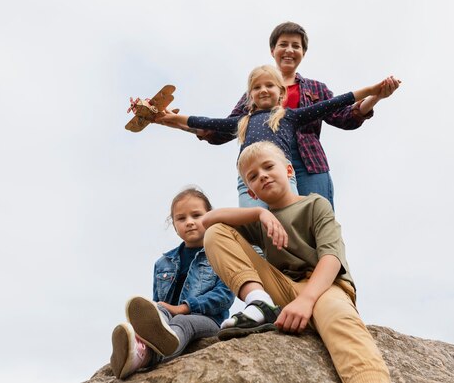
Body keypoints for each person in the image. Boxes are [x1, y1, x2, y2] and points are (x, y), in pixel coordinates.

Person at [201, 141, 391, 383]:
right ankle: (260, 303)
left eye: (268, 166)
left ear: (289, 170)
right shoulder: (260, 221)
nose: (263, 176)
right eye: (253, 176)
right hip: (281, 291)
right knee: (216, 233)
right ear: (251, 192)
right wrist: (260, 213)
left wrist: (306, 300)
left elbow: (331, 257)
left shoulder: (314, 204)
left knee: (341, 321)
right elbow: (209, 220)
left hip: (322, 287)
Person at [196, 21, 399, 209]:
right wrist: (183, 123)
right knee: (265, 228)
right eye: (284, 44)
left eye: (296, 46)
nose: (290, 50)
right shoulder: (255, 92)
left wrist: (376, 96)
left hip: (307, 162)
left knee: (315, 220)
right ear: (273, 50)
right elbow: (227, 128)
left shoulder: (315, 88)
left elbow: (346, 117)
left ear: (303, 52)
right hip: (263, 162)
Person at [157, 65, 398, 208]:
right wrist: (173, 121)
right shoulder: (243, 121)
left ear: (280, 92)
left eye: (269, 86)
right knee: (254, 224)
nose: (263, 90)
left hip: (283, 174)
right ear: (249, 95)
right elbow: (207, 123)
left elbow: (335, 104)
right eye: (257, 87)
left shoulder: (290, 116)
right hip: (249, 180)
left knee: (290, 222)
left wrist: (372, 91)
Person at [109, 187, 234, 379]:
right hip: (168, 320)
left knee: (181, 321)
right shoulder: (163, 263)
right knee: (156, 310)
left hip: (208, 321)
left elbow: (224, 297)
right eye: (181, 218)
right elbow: (155, 310)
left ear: (210, 218)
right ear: (174, 225)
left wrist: (184, 308)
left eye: (196, 215)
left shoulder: (220, 253)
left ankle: (149, 356)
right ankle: (133, 348)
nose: (190, 222)